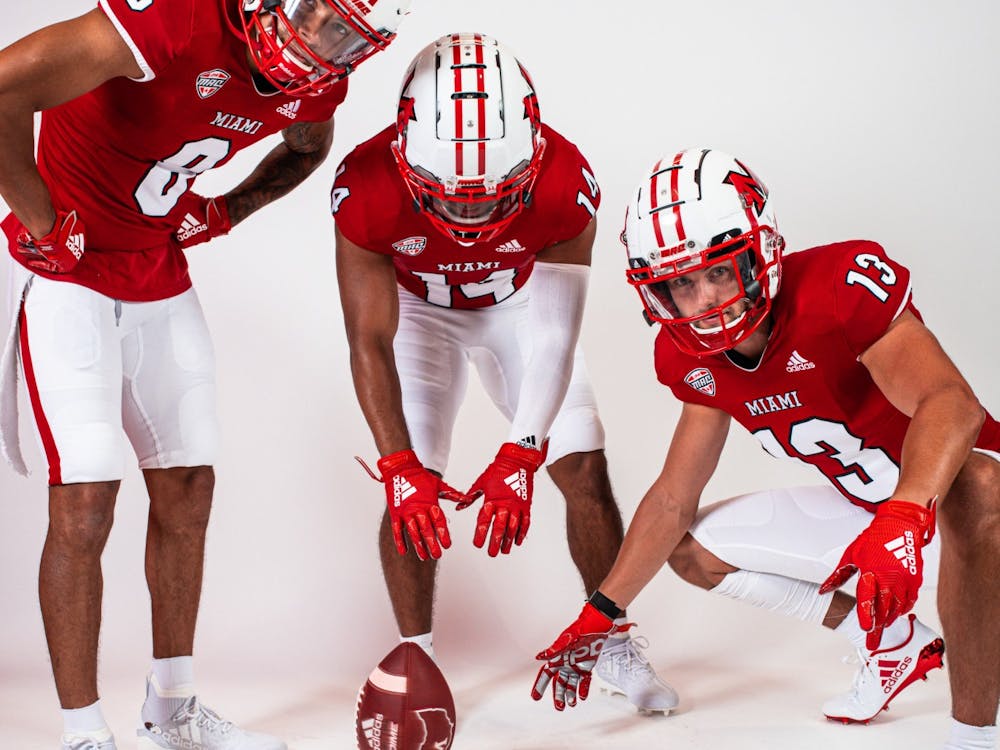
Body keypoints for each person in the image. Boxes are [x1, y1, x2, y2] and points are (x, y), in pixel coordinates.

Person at [0, 1, 410, 748]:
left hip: (159, 274)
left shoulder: (319, 81)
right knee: (86, 501)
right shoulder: (176, 20)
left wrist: (228, 211)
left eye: (347, 33)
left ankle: (173, 712)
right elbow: (1, 87)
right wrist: (37, 220)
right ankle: (83, 733)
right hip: (72, 278)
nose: (325, 41)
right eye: (318, 13)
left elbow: (306, 147)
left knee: (189, 487)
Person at [531, 148, 1000, 750]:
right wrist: (602, 611)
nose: (704, 299)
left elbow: (949, 402)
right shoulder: (689, 360)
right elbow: (673, 497)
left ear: (762, 252)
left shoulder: (839, 286)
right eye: (680, 282)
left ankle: (972, 737)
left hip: (953, 503)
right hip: (872, 505)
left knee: (980, 486)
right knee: (692, 550)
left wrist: (907, 516)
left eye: (719, 271)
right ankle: (889, 641)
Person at [332, 32, 677, 714]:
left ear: (531, 155)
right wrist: (398, 464)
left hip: (518, 305)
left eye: (492, 197)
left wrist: (522, 452)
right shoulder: (365, 182)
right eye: (450, 198)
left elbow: (552, 332)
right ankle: (415, 656)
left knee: (581, 461)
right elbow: (369, 339)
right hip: (418, 310)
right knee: (413, 487)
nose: (472, 215)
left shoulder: (565, 180)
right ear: (404, 153)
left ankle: (607, 634)